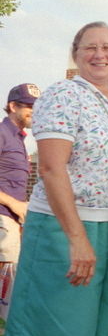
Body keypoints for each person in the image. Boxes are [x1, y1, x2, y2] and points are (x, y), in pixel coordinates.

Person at [1, 22, 108, 336]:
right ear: (75, 54)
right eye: (90, 47)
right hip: (64, 228)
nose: (100, 54)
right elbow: (52, 169)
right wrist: (77, 239)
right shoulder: (62, 96)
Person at [0, 83, 39, 321]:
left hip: (11, 221)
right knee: (7, 292)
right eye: (29, 107)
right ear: (13, 106)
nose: (34, 112)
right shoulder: (3, 134)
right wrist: (13, 204)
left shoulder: (19, 139)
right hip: (2, 217)